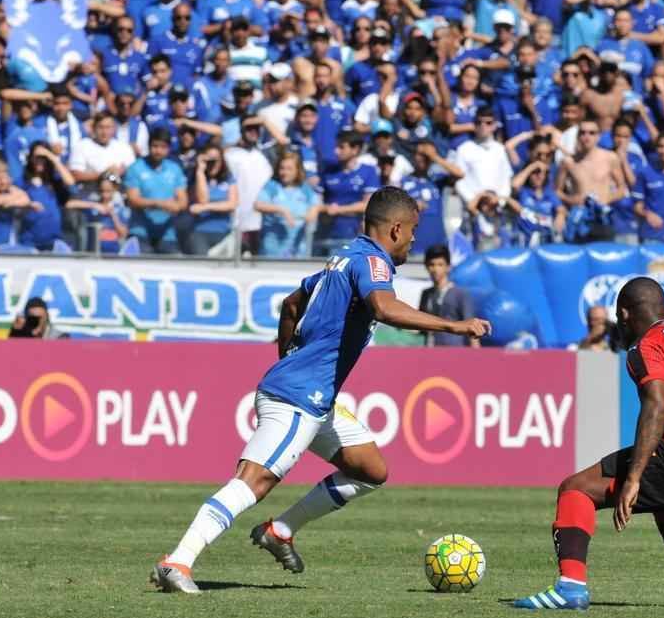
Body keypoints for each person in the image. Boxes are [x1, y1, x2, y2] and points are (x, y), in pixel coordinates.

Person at [152, 186, 492, 593]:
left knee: (369, 470)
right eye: (414, 230)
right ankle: (178, 560)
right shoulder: (372, 261)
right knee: (254, 481)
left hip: (312, 397)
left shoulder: (341, 259)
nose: (415, 240)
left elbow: (290, 306)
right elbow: (385, 308)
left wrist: (287, 362)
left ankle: (281, 530)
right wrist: (455, 325)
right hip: (300, 398)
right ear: (397, 229)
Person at [514, 277, 664, 610]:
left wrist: (633, 479)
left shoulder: (648, 345)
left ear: (625, 314)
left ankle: (570, 587)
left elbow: (656, 405)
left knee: (576, 488)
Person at [418, 244, 479, 348]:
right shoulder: (426, 294)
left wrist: (477, 357)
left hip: (454, 352)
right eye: (431, 264)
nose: (435, 269)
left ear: (448, 267)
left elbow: (472, 328)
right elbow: (421, 326)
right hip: (429, 349)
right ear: (426, 267)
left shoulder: (461, 294)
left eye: (440, 264)